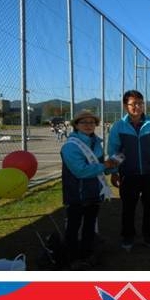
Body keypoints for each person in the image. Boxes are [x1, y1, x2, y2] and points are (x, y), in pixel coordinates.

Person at [106, 90, 150, 251]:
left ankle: (149, 236)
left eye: (140, 103)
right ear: (126, 106)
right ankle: (128, 237)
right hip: (128, 174)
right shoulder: (118, 126)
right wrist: (114, 172)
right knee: (128, 208)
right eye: (133, 104)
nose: (138, 107)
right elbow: (114, 150)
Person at [60, 110, 117, 268]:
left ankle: (87, 254)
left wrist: (112, 167)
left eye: (91, 122)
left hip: (94, 192)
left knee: (90, 225)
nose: (88, 125)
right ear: (76, 125)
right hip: (77, 194)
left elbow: (98, 167)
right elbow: (81, 171)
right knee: (73, 227)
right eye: (83, 122)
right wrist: (104, 165)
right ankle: (71, 258)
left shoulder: (95, 142)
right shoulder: (71, 146)